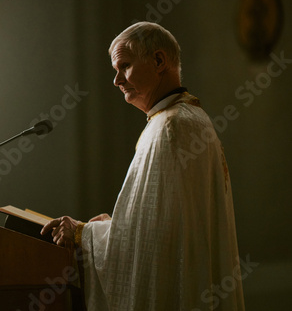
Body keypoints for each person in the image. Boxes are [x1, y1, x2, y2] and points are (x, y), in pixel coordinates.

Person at [41, 22, 245, 310]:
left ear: (159, 61)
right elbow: (165, 230)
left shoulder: (170, 127)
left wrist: (81, 233)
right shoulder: (189, 118)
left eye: (124, 66)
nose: (117, 80)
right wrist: (113, 226)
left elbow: (149, 249)